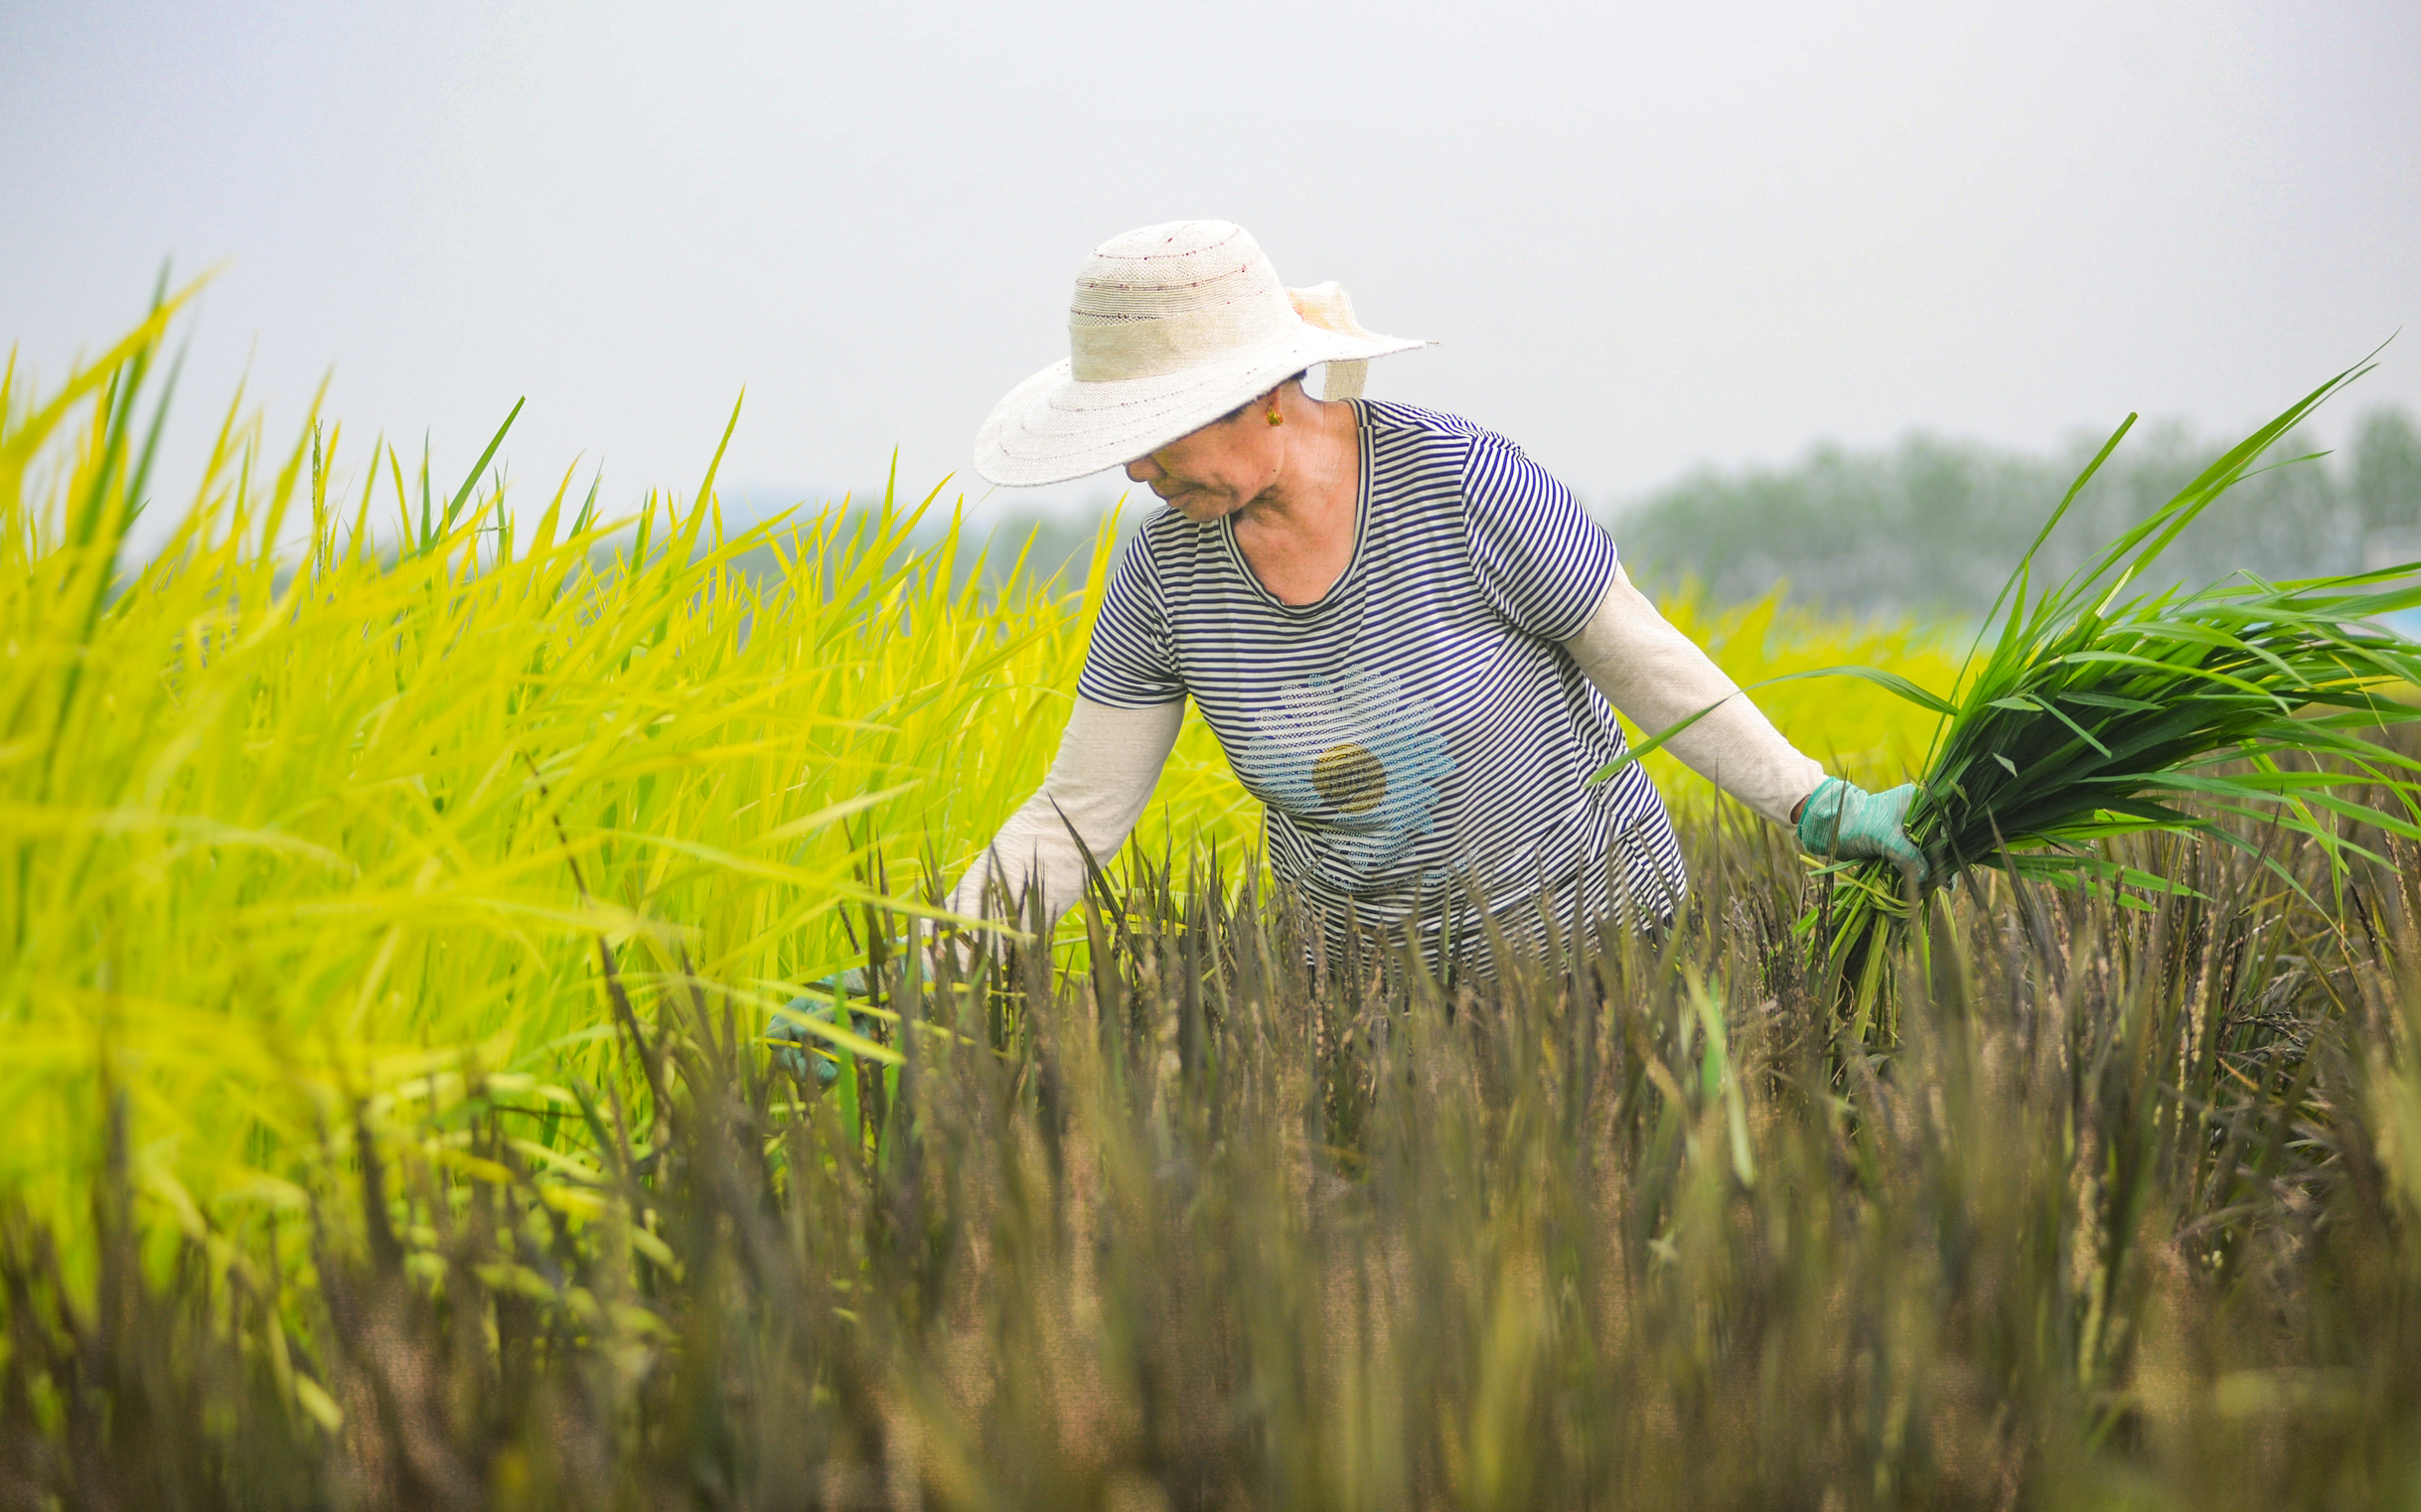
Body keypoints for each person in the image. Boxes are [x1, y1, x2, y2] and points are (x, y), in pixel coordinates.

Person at [946, 220, 1921, 974]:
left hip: (1596, 954)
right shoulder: (1166, 574)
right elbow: (1075, 811)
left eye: (1156, 432)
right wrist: (921, 967)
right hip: (1357, 993)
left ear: (1264, 393)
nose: (1134, 470)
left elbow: (1644, 659)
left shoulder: (1458, 485)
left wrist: (1814, 803)